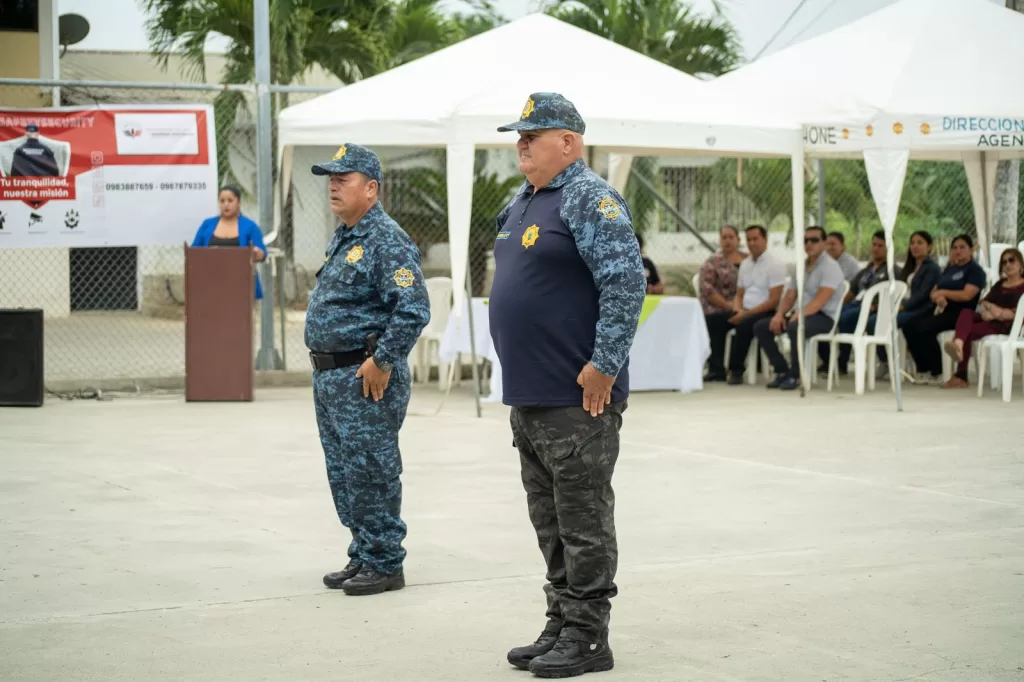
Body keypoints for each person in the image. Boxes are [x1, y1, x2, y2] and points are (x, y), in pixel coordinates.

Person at [490, 92, 645, 678]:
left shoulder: (591, 199)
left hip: (577, 397)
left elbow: (626, 284)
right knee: (549, 519)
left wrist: (604, 364)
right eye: (519, 135)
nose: (522, 144)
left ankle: (588, 636)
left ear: (569, 142)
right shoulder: (525, 201)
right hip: (530, 395)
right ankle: (560, 619)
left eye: (534, 134)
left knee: (582, 520)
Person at [304, 143, 431, 596]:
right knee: (344, 470)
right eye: (331, 179)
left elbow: (413, 309)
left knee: (372, 469)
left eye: (344, 178)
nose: (334, 186)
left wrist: (383, 361)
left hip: (365, 377)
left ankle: (385, 561)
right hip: (331, 378)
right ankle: (363, 551)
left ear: (372, 189)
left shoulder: (386, 239)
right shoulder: (345, 235)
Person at [753, 226, 846, 391]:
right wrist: (780, 314)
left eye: (814, 240)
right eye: (806, 240)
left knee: (795, 327)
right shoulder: (802, 266)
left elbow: (820, 301)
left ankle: (796, 375)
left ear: (824, 243)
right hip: (802, 314)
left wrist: (798, 316)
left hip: (824, 317)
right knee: (762, 326)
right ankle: (782, 371)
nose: (809, 244)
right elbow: (790, 295)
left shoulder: (831, 267)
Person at [902, 233, 986, 384]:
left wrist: (944, 293)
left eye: (962, 247)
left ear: (971, 250)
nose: (958, 251)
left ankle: (937, 371)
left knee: (925, 327)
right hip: (941, 308)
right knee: (909, 325)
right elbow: (935, 289)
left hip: (959, 313)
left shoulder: (975, 271)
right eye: (954, 247)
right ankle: (923, 369)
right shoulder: (950, 268)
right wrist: (937, 296)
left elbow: (967, 295)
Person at [942, 247, 1024, 388]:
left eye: (1012, 260)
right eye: (1004, 262)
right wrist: (991, 310)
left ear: (1021, 264)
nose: (1008, 265)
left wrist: (998, 313)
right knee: (966, 313)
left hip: (1009, 325)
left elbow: (1017, 313)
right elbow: (984, 301)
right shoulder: (1000, 284)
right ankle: (959, 344)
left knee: (968, 330)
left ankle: (961, 375)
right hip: (992, 319)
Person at [822, 230, 900, 375]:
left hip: (874, 309)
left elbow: (894, 296)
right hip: (857, 305)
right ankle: (828, 359)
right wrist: (837, 307)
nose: (875, 248)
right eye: (874, 244)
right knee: (834, 314)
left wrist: (876, 306)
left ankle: (842, 362)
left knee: (846, 318)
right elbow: (851, 291)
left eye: (880, 245)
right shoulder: (867, 270)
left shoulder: (893, 270)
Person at [725, 225, 787, 385]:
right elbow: (739, 294)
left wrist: (746, 314)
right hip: (744, 309)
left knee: (745, 325)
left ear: (765, 240)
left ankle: (736, 370)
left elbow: (774, 300)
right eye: (749, 240)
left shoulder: (775, 264)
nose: (752, 243)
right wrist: (738, 309)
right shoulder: (745, 264)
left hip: (765, 310)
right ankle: (715, 369)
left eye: (755, 239)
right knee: (713, 321)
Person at [190, 185, 268, 299]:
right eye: (222, 201)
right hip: (211, 283)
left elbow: (262, 254)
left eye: (230, 201)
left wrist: (257, 253)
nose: (226, 205)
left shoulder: (250, 226)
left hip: (241, 285)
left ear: (238, 202)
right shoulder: (207, 224)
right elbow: (194, 251)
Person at [699, 225, 748, 381]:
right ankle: (716, 369)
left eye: (731, 237)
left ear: (738, 240)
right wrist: (730, 306)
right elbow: (707, 289)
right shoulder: (713, 261)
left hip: (748, 307)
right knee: (715, 321)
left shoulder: (749, 260)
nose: (727, 241)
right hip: (720, 307)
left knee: (747, 321)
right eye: (724, 237)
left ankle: (740, 367)